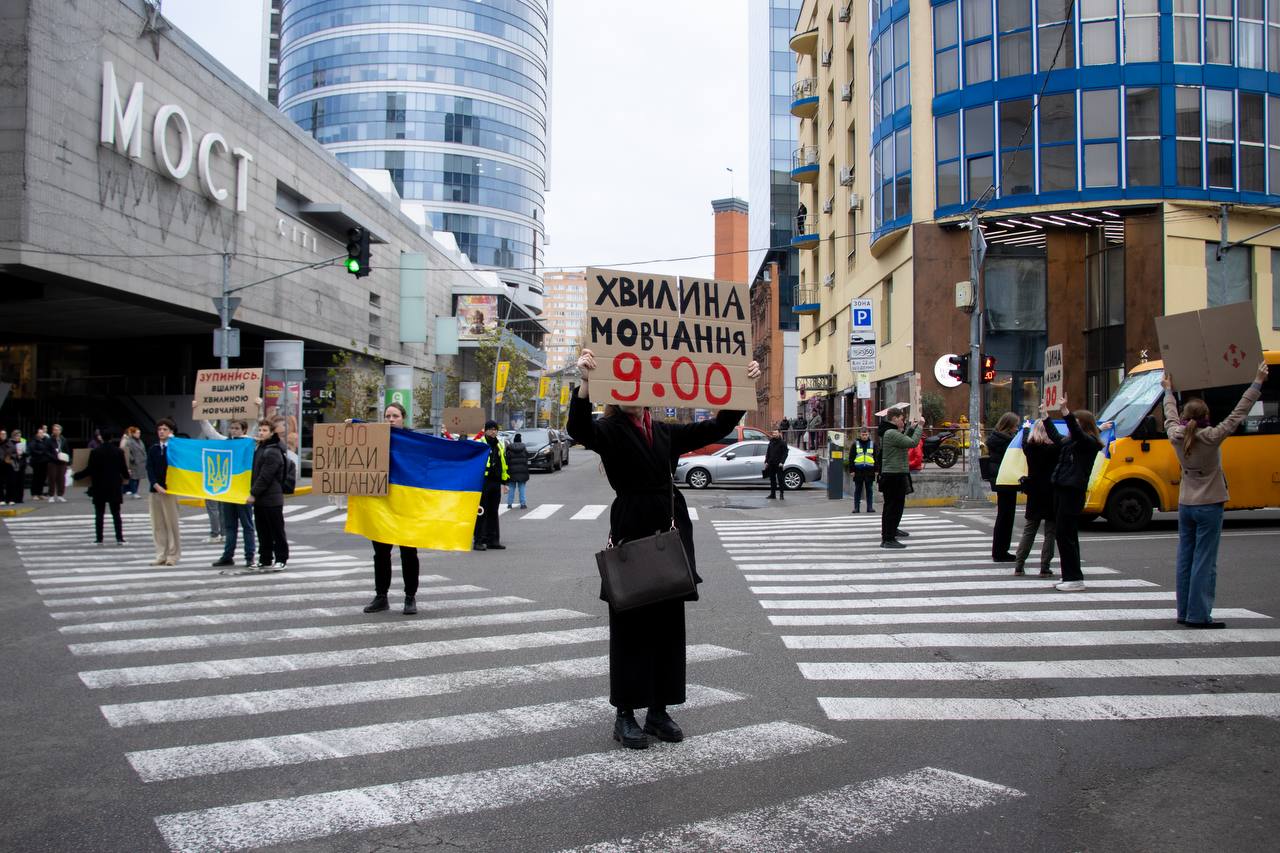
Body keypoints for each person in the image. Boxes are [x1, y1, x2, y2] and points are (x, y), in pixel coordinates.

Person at [568, 347, 761, 750]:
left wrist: (744, 386)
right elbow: (579, 429)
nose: (633, 394)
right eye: (623, 388)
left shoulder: (667, 433)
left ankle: (658, 710)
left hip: (671, 536)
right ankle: (625, 715)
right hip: (632, 532)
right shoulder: (609, 430)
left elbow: (715, 427)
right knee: (631, 628)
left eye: (638, 386)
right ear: (615, 396)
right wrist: (585, 382)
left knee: (668, 628)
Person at [1162, 361, 1268, 628]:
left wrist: (1168, 391)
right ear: (1206, 415)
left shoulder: (1175, 434)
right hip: (1210, 503)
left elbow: (1170, 414)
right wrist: (1257, 382)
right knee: (1204, 561)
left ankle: (1183, 611)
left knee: (1185, 558)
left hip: (1186, 502)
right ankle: (1199, 615)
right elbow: (1238, 413)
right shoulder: (1213, 436)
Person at [358, 402, 421, 615]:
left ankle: (410, 597)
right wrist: (354, 423)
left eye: (395, 416)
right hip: (382, 504)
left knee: (408, 553)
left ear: (403, 418)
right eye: (387, 416)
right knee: (381, 553)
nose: (391, 419)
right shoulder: (376, 437)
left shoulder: (413, 440)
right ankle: (381, 597)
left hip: (405, 504)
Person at [1046, 399, 1108, 591]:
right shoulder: (1072, 442)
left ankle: (1074, 578)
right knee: (1063, 534)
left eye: (1075, 423)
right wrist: (1045, 418)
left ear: (1082, 425)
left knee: (1067, 535)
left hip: (1072, 491)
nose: (1070, 427)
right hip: (1062, 488)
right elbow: (1056, 437)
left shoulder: (1087, 443)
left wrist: (1065, 411)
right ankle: (1069, 576)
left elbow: (1076, 431)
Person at [196, 415, 256, 570]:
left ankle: (250, 557)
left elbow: (257, 428)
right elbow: (211, 433)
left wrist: (260, 410)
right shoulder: (226, 443)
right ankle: (227, 556)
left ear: (244, 430)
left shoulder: (248, 442)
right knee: (230, 526)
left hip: (243, 492)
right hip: (228, 491)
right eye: (232, 428)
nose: (233, 431)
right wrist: (202, 417)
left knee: (247, 526)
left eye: (237, 428)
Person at [1014, 405, 1062, 577]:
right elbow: (1059, 439)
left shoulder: (1030, 449)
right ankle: (1045, 566)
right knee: (1050, 531)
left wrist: (1026, 428)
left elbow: (1025, 439)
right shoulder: (1055, 449)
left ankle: (1019, 564)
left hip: (1034, 490)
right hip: (1051, 491)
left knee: (1030, 529)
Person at [73, 430, 129, 545]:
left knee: (99, 514)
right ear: (112, 438)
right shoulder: (118, 451)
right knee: (116, 513)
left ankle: (99, 538)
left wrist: (76, 476)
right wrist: (127, 476)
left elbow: (90, 469)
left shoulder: (95, 451)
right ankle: (119, 538)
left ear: (101, 438)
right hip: (114, 485)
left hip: (99, 485)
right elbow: (123, 469)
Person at [247, 419, 289, 572]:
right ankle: (265, 558)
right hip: (262, 499)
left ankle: (281, 558)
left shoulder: (273, 451)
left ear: (272, 433)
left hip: (272, 498)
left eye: (264, 431)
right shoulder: (260, 448)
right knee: (263, 531)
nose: (261, 433)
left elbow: (265, 476)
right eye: (260, 430)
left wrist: (253, 493)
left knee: (276, 530)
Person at [878, 407, 922, 549]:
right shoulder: (890, 433)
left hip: (896, 473)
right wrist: (920, 427)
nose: (903, 422)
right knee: (892, 507)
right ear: (894, 418)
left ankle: (892, 531)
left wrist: (911, 429)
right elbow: (911, 443)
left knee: (896, 506)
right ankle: (888, 538)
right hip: (893, 475)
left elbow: (904, 440)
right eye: (902, 419)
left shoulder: (891, 432)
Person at [985, 412, 1021, 562]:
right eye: (1015, 425)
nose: (1016, 428)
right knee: (1006, 517)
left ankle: (999, 550)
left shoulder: (996, 438)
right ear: (1009, 425)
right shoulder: (1007, 441)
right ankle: (1001, 552)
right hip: (1006, 479)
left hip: (1001, 479)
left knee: (1004, 516)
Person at [146, 418, 181, 566]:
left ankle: (173, 555)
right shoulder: (153, 448)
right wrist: (155, 485)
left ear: (171, 432)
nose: (161, 432)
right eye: (160, 429)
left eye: (165, 429)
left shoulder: (174, 449)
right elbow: (149, 468)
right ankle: (161, 554)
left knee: (171, 524)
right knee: (157, 524)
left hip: (170, 490)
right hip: (155, 491)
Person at [472, 420, 508, 550]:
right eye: (491, 429)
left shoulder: (499, 444)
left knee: (493, 512)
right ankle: (478, 541)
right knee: (481, 512)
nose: (493, 431)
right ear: (486, 430)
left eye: (495, 429)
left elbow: (503, 463)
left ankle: (493, 540)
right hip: (483, 482)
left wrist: (505, 482)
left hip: (495, 482)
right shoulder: (480, 444)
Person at [849, 427, 876, 513]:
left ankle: (870, 507)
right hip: (858, 471)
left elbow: (876, 457)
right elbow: (851, 458)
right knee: (858, 490)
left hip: (870, 470)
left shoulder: (873, 444)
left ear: (869, 434)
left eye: (866, 434)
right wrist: (851, 470)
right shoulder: (855, 445)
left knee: (869, 490)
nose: (864, 436)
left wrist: (877, 470)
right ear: (860, 434)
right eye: (863, 434)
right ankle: (856, 507)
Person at [45, 423, 70, 502]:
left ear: (60, 431)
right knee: (52, 478)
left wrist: (68, 459)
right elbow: (46, 451)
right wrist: (54, 457)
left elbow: (67, 450)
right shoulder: (49, 440)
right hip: (53, 462)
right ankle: (51, 495)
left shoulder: (63, 440)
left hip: (62, 462)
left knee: (61, 478)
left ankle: (60, 495)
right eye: (54, 430)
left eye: (57, 430)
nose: (56, 431)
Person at [120, 427, 147, 499]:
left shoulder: (140, 441)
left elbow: (143, 450)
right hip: (133, 462)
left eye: (139, 433)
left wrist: (145, 458)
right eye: (137, 433)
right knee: (133, 478)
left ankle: (135, 491)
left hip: (141, 462)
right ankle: (134, 492)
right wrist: (132, 459)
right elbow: (126, 451)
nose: (139, 434)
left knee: (138, 478)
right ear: (133, 433)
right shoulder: (129, 441)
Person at [505, 432, 530, 509]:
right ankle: (523, 504)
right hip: (522, 472)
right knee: (521, 488)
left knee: (511, 488)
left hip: (512, 472)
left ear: (514, 441)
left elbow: (506, 461)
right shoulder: (524, 449)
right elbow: (527, 458)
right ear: (520, 440)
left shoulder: (509, 449)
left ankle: (509, 504)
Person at [764, 429, 788, 499]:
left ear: (779, 433)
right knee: (772, 479)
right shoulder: (771, 441)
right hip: (771, 463)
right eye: (773, 433)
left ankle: (781, 494)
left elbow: (785, 454)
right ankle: (773, 494)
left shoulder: (782, 442)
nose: (774, 434)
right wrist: (766, 462)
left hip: (779, 464)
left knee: (780, 479)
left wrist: (782, 462)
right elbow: (768, 452)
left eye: (775, 433)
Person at [29, 425, 50, 501]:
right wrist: (42, 452)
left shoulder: (45, 440)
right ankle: (34, 493)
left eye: (42, 433)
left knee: (42, 478)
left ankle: (40, 493)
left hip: (44, 462)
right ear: (37, 434)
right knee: (36, 478)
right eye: (40, 433)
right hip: (37, 461)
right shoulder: (34, 441)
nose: (42, 434)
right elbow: (32, 450)